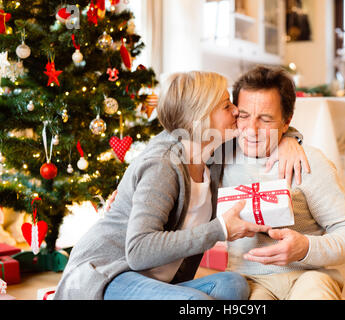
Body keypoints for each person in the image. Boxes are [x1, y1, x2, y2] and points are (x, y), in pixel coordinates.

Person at [53, 70, 309, 300]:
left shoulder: (214, 151)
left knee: (233, 285)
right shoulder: (163, 165)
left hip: (154, 281)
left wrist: (289, 139)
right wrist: (219, 229)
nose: (236, 112)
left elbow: (264, 127)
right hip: (108, 275)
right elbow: (138, 251)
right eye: (226, 105)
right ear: (199, 117)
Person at [216, 66, 345, 300]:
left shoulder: (310, 162)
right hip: (250, 281)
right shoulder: (219, 158)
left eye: (266, 119)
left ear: (286, 122)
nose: (252, 130)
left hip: (308, 275)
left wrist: (306, 247)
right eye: (244, 116)